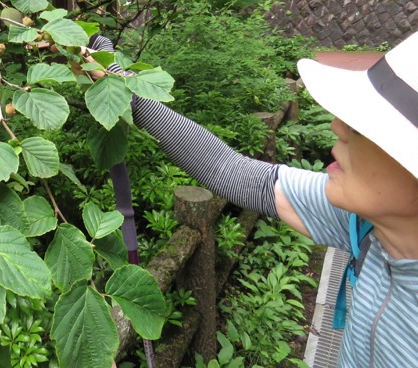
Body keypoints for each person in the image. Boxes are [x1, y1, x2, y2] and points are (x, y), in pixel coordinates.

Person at [87, 32, 418, 368]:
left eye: (363, 126)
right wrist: (119, 82)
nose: (337, 127)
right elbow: (232, 171)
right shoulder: (366, 225)